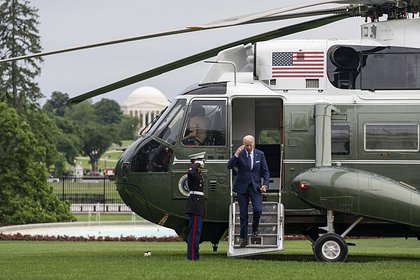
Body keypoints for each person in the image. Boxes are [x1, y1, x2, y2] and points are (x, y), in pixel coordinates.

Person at [227, 135, 270, 247]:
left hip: (255, 187)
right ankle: (243, 238)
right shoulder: (240, 154)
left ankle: (255, 228)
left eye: (250, 145)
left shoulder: (260, 154)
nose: (249, 147)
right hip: (242, 187)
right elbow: (229, 166)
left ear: (254, 143)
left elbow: (266, 172)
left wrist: (265, 184)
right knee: (243, 213)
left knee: (257, 209)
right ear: (243, 144)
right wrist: (236, 154)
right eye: (247, 145)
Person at [186, 151, 206, 261]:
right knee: (194, 233)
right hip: (195, 204)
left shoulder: (198, 173)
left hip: (198, 204)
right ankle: (193, 257)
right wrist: (197, 164)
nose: (203, 163)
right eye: (201, 160)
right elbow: (190, 173)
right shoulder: (192, 172)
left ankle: (195, 255)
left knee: (196, 232)